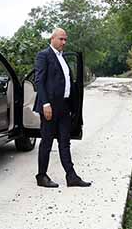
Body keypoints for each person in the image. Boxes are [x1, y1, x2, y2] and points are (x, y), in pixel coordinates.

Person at [34, 28, 91, 188]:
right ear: (52, 38)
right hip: (50, 107)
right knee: (46, 142)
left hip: (64, 106)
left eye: (65, 39)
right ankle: (41, 176)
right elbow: (39, 81)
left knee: (65, 142)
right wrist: (45, 104)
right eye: (61, 39)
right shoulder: (43, 56)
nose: (64, 42)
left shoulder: (62, 58)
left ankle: (71, 176)